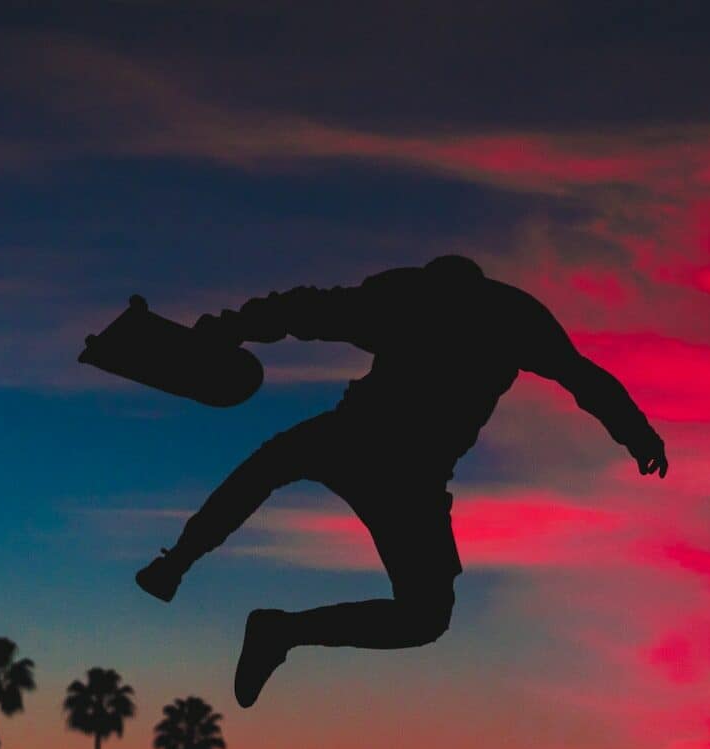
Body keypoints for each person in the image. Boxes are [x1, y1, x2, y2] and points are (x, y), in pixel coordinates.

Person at [136, 255, 667, 707]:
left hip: (378, 455)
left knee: (274, 468)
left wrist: (233, 326)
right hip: (396, 465)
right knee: (420, 614)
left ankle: (253, 612)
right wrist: (637, 435)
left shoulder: (488, 313)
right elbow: (305, 310)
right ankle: (196, 575)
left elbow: (302, 311)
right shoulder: (493, 313)